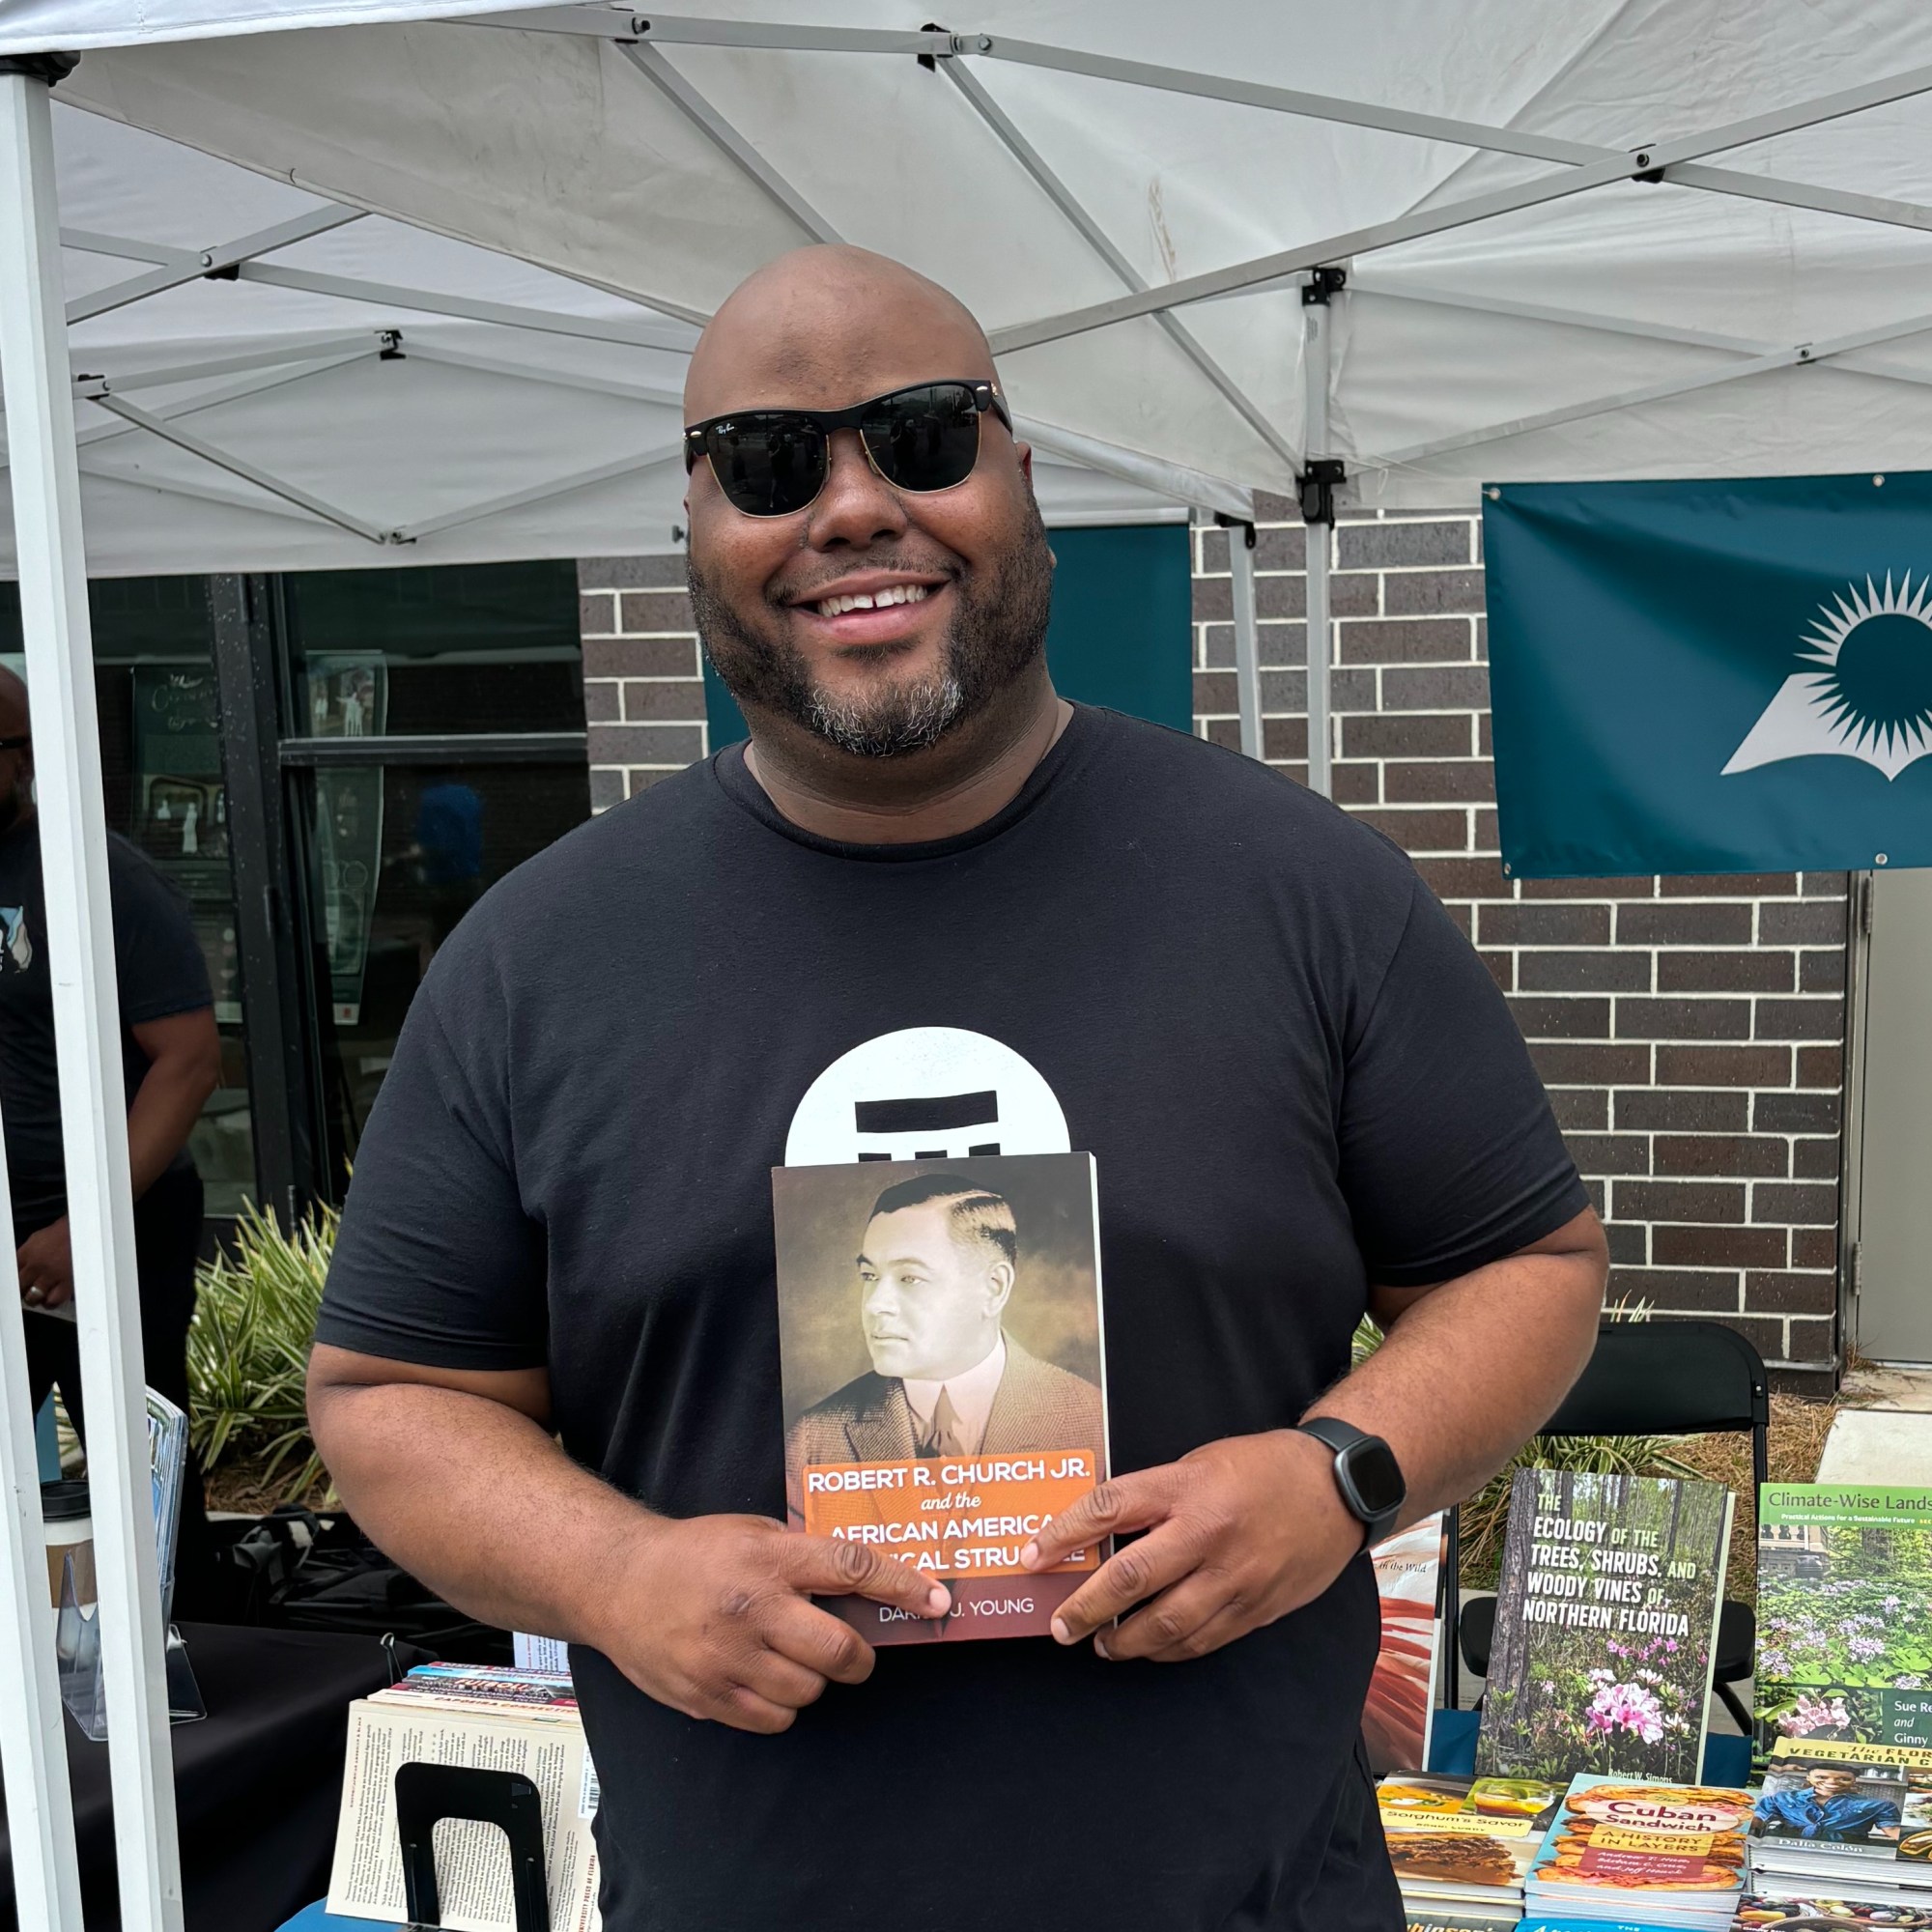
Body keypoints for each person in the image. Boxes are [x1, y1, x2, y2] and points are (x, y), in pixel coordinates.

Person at [307, 244, 1607, 1931]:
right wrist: (620, 1577)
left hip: (1250, 1896)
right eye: (773, 463)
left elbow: (1530, 1267)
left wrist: (1338, 1475)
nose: (854, 507)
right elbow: (392, 1396)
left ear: (1022, 481)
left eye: (922, 436)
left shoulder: (1302, 895)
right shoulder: (536, 959)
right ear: (696, 528)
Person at [0, 668, 221, 1580]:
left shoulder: (94, 874)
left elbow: (191, 1059)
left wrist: (82, 1229)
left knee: (139, 1463)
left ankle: (198, 1654)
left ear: (20, 758)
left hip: (100, 1218)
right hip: (13, 1216)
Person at [786, 1172, 1102, 1468]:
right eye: (869, 1275)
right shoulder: (813, 1439)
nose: (875, 1304)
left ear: (994, 1287)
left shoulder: (1090, 1419)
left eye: (910, 1278)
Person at [1755, 1766, 1903, 1843]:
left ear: (1854, 1781)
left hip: (1846, 1858)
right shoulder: (1781, 1797)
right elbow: (1758, 1820)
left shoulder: (1879, 1805)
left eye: (1843, 1778)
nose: (1831, 1782)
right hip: (1786, 1852)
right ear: (1809, 1778)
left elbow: (1892, 1829)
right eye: (1821, 1777)